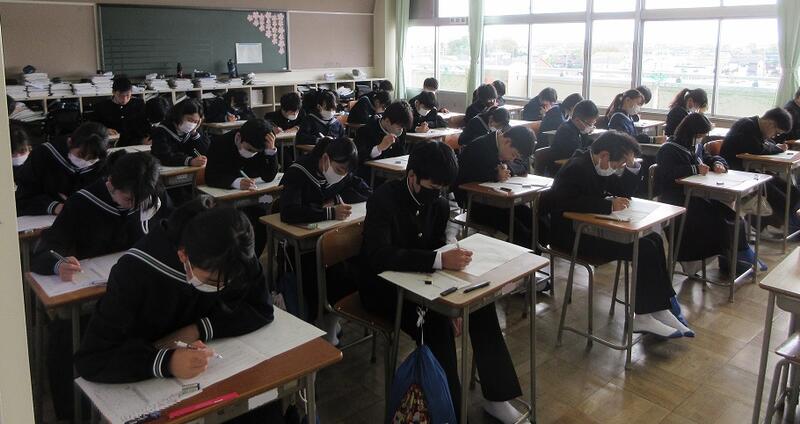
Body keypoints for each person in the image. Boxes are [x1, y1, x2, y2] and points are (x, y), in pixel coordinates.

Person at [358, 141, 529, 424]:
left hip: (423, 284)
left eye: (442, 188)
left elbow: (435, 245)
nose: (438, 193)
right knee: (437, 323)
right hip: (384, 289)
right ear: (412, 176)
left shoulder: (436, 203)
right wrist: (437, 261)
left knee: (480, 305)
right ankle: (451, 413)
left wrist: (453, 290)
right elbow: (379, 256)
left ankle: (497, 399)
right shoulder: (383, 199)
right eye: (433, 186)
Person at [74, 201, 286, 421]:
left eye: (229, 281)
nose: (222, 288)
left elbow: (261, 308)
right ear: (184, 255)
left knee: (264, 405)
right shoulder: (133, 272)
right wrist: (167, 362)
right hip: (148, 379)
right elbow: (92, 359)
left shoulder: (234, 248)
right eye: (212, 281)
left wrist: (199, 329)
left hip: (212, 374)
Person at [545, 131, 693, 338]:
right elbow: (562, 203)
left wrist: (632, 167)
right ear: (604, 155)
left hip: (592, 229)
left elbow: (624, 192)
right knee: (643, 248)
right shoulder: (576, 167)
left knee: (654, 240)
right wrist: (607, 205)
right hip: (571, 236)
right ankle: (643, 316)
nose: (618, 168)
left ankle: (659, 308)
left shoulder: (600, 165)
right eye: (619, 164)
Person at [279, 137, 371, 339]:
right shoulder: (299, 172)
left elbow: (364, 191)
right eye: (339, 170)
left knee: (356, 265)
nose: (342, 175)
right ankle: (323, 320)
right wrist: (328, 213)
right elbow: (289, 212)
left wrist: (336, 199)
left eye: (346, 172)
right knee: (332, 273)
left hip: (331, 237)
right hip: (301, 247)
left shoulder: (340, 171)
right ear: (326, 158)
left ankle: (331, 319)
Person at [656, 112, 764, 276]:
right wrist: (694, 169)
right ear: (691, 132)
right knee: (720, 222)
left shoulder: (696, 146)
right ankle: (731, 260)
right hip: (677, 199)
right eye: (700, 135)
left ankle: (737, 259)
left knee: (733, 218)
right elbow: (667, 175)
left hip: (697, 196)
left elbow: (708, 158)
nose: (701, 138)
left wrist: (718, 163)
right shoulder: (669, 149)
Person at [30, 151, 166, 277]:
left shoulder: (152, 197)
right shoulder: (81, 203)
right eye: (128, 199)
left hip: (143, 275)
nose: (136, 206)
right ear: (111, 184)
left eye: (141, 199)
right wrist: (58, 265)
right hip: (96, 281)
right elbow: (47, 249)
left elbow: (171, 231)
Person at [205, 119, 279, 256]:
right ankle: (235, 258)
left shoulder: (262, 144)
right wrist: (236, 182)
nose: (252, 153)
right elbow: (211, 176)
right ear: (239, 137)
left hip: (254, 198)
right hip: (228, 200)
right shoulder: (220, 143)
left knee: (263, 218)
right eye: (249, 149)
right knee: (236, 224)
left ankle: (252, 258)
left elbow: (268, 176)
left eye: (256, 152)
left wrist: (271, 152)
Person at [453, 126, 537, 247]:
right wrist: (494, 175)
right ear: (507, 141)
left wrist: (507, 168)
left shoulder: (506, 147)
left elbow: (522, 166)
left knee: (538, 222)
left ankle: (533, 254)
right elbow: (462, 179)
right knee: (521, 233)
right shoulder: (478, 147)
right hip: (478, 204)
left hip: (502, 200)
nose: (512, 159)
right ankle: (518, 256)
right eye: (513, 155)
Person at [720, 107, 799, 233]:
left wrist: (775, 146)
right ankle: (775, 226)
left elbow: (767, 144)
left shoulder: (757, 128)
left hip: (750, 170)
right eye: (776, 132)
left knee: (792, 191)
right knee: (780, 197)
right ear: (771, 124)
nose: (775, 136)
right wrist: (777, 148)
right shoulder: (746, 126)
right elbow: (758, 148)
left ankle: (789, 224)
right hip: (735, 173)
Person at [15, 122, 109, 216]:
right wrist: (55, 207)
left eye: (92, 159)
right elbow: (22, 198)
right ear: (70, 142)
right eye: (81, 155)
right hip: (43, 217)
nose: (85, 161)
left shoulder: (100, 166)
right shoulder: (43, 155)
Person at [355, 100, 413, 182]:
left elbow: (401, 153)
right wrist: (379, 148)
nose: (401, 130)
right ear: (387, 121)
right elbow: (359, 157)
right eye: (399, 126)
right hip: (370, 176)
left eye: (403, 127)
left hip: (393, 174)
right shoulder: (366, 130)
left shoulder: (401, 132)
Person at [150, 98, 209, 167]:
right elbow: (165, 156)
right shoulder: (161, 131)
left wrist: (194, 133)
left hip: (189, 169)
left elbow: (205, 151)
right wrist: (190, 161)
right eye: (189, 119)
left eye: (195, 121)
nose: (192, 124)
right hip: (167, 170)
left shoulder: (194, 129)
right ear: (179, 115)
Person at [92, 76, 150, 146]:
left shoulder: (139, 104)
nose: (124, 99)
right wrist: (105, 130)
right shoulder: (101, 107)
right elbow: (92, 127)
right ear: (113, 92)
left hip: (137, 143)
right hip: (110, 144)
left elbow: (145, 126)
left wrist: (145, 139)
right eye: (120, 95)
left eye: (128, 95)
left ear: (131, 92)